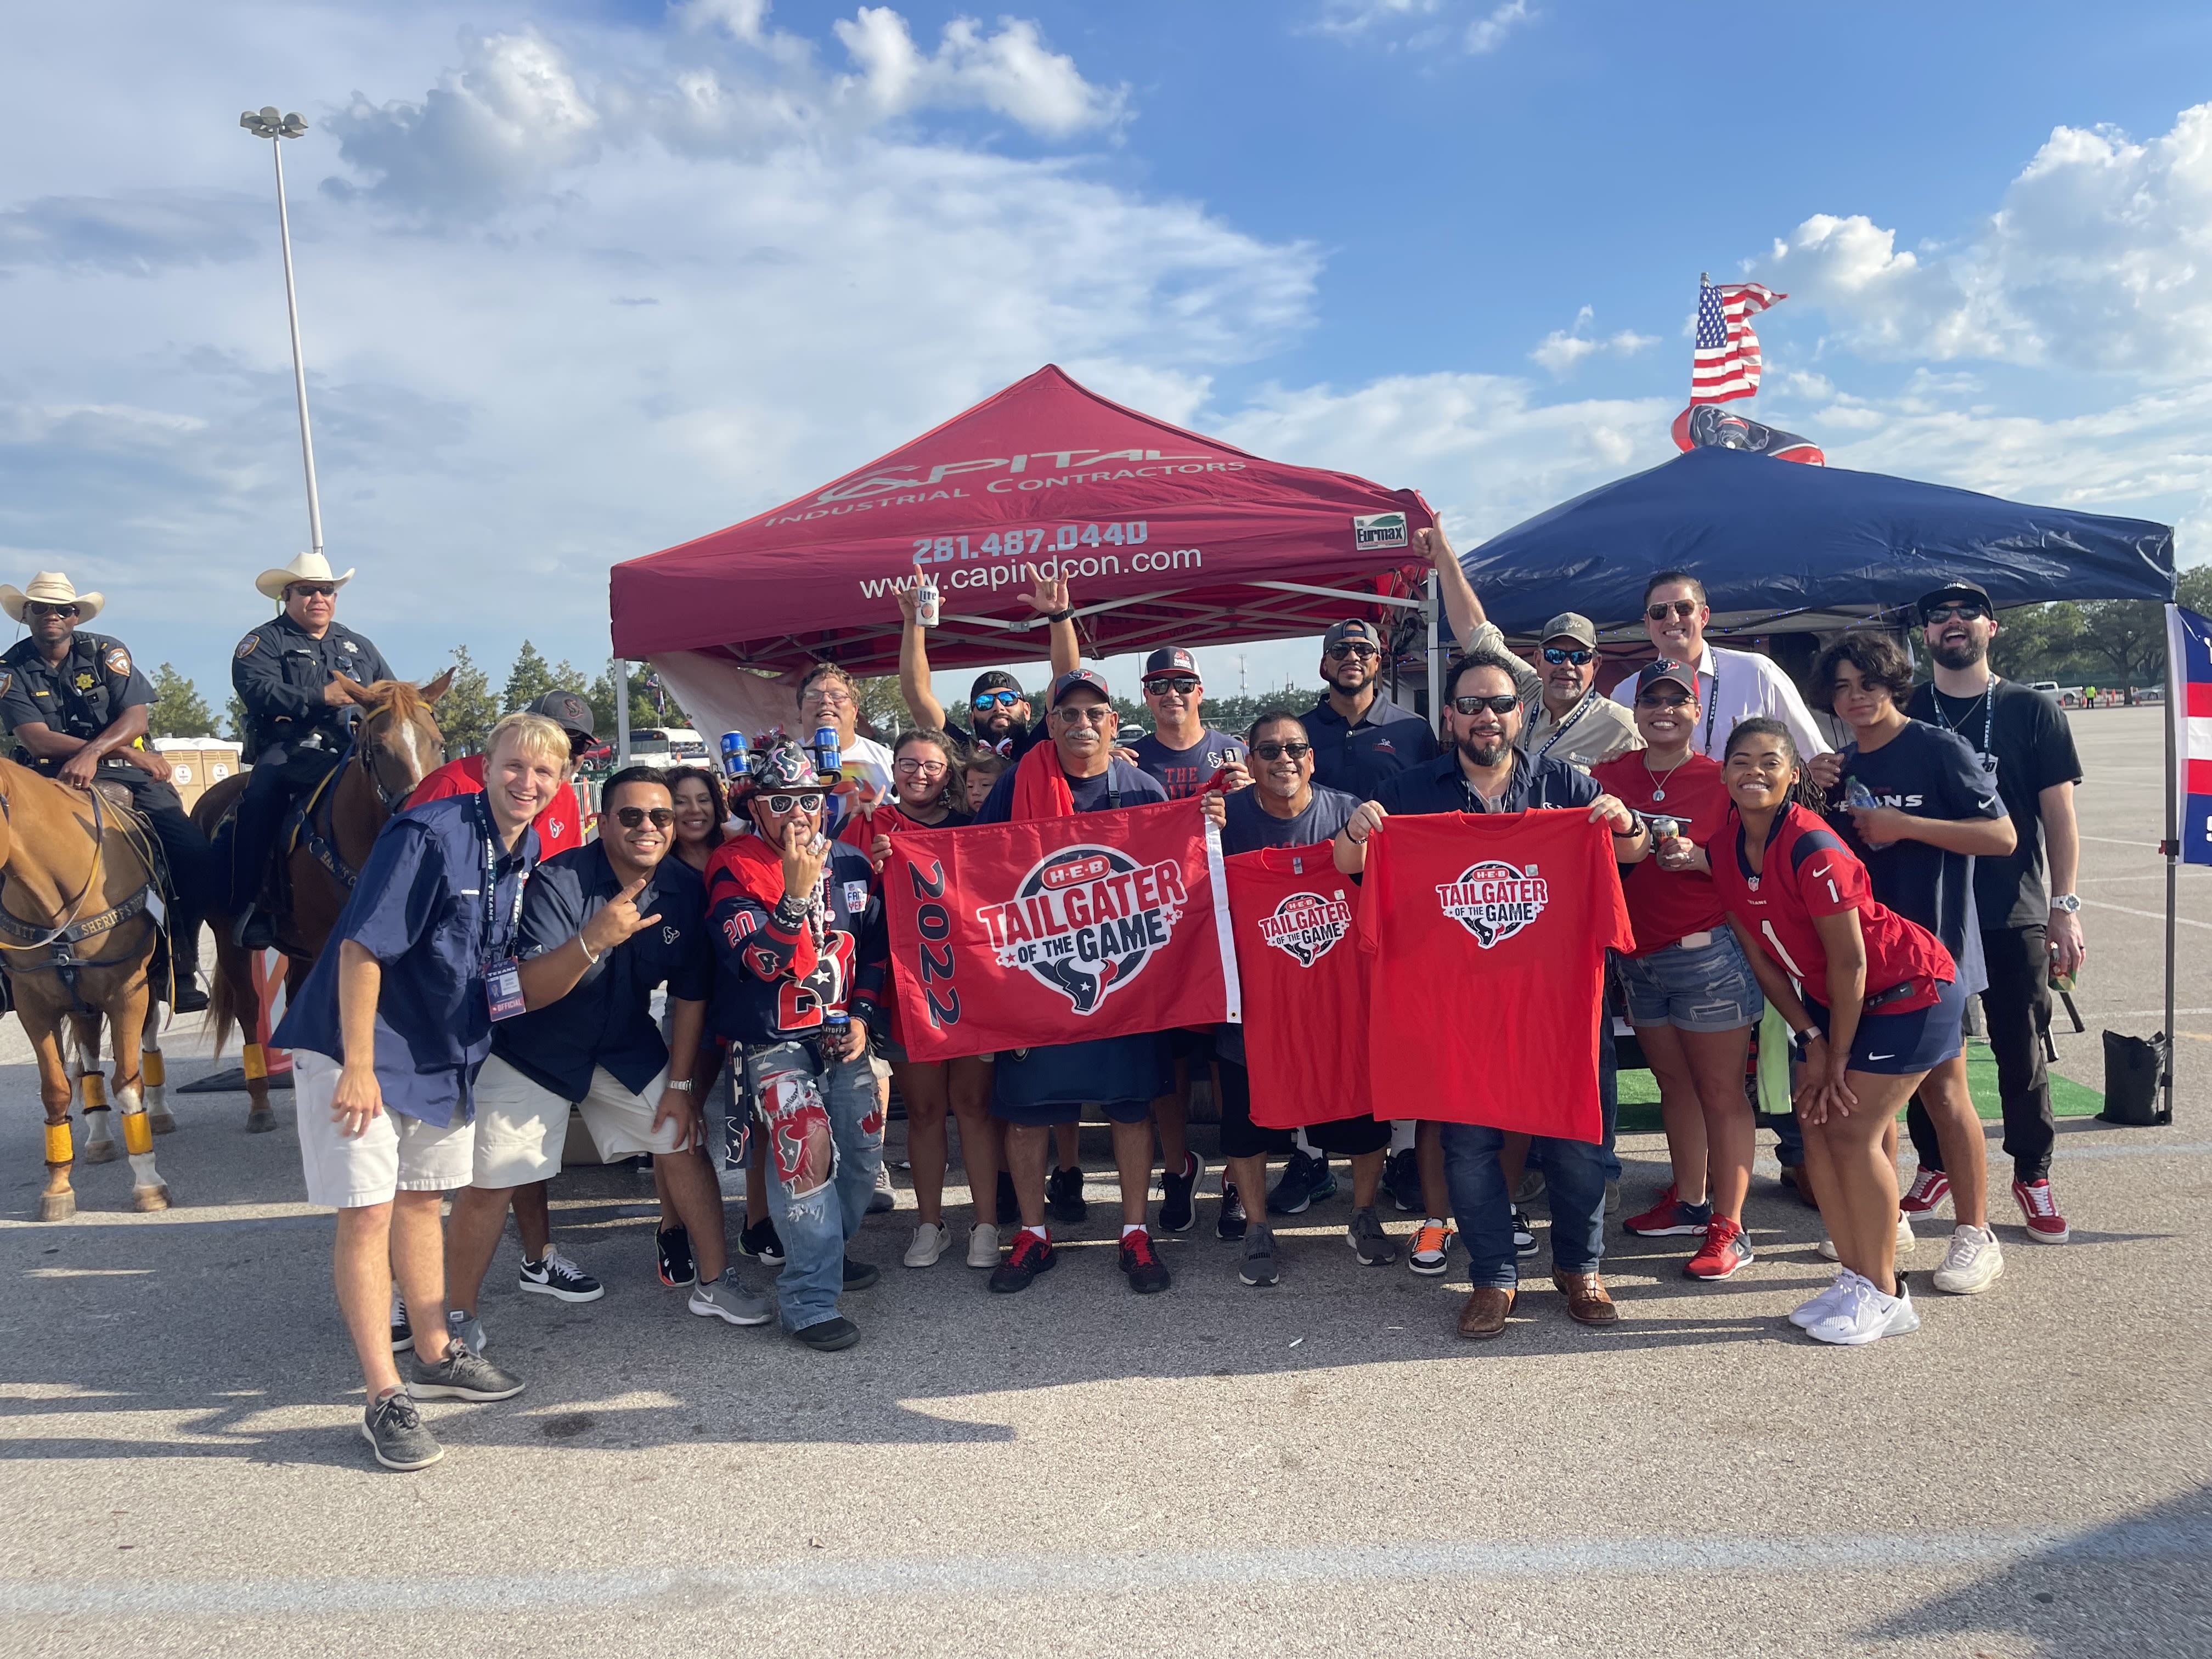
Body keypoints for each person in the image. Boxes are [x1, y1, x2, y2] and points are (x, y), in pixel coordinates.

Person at [269, 711, 564, 1470]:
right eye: (514, 766)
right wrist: (361, 1063)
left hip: (438, 1053)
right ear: (485, 764)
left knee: (421, 1203)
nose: (527, 783)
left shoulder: (521, 847)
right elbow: (365, 946)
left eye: (544, 773)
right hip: (357, 1047)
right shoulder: (430, 833)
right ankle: (383, 1397)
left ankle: (437, 1352)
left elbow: (485, 967)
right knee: (367, 1216)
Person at [1333, 648, 1650, 1339]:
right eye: (1471, 705)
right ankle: (1493, 1278)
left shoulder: (1566, 785)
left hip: (1558, 1000)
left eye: (1500, 704)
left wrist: (1625, 822)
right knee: (1469, 1146)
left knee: (1576, 1141)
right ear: (1448, 716)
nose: (1486, 717)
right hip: (1460, 1006)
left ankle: (1580, 1268)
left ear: (1519, 713)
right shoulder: (1414, 791)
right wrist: (1357, 834)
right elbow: (1348, 863)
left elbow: (1634, 851)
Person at [444, 766, 770, 1350]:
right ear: (602, 820)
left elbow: (693, 993)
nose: (648, 827)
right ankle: (454, 1317)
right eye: (632, 815)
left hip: (623, 1039)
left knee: (682, 1139)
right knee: (492, 1180)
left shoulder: (682, 888)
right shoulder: (560, 880)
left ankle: (716, 1281)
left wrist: (681, 1082)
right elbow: (528, 990)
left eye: (661, 817)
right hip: (533, 1047)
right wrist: (594, 938)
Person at [1706, 717, 1963, 1345]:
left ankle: (1886, 1291)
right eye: (1742, 760)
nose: (1754, 772)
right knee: (1813, 1131)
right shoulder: (1723, 847)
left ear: (1794, 775)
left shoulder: (1813, 845)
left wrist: (1836, 1055)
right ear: (1724, 773)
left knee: (1850, 1130)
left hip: (1909, 990)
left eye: (1771, 761)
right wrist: (1809, 1038)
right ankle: (1855, 1277)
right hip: (1834, 1004)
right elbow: (1760, 957)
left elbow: (1851, 962)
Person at [1810, 631, 2017, 1295]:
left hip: (1938, 958)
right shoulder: (1838, 767)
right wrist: (1806, 786)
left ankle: (1975, 1234)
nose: (1855, 698)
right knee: (1883, 1098)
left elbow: (2002, 836)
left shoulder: (1937, 748)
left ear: (1891, 683)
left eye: (1866, 684)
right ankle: (1890, 1215)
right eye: (1841, 688)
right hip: (1869, 963)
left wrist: (1908, 826)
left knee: (1946, 1094)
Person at [970, 669, 1177, 1295]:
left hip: (1124, 984)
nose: (1082, 724)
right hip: (1041, 982)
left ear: (1113, 723)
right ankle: (1033, 1233)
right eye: (1070, 714)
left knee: (1129, 1113)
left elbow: (1177, 877)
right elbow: (971, 864)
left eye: (1095, 713)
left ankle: (1136, 1231)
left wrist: (1211, 823)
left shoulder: (1144, 789)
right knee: (1029, 1118)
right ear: (1051, 723)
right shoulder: (1014, 787)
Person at [403, 687, 603, 1307]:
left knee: (512, 1133)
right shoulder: (444, 791)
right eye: (532, 750)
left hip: (511, 983)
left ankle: (537, 1259)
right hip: (435, 1002)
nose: (540, 770)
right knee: (421, 1171)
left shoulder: (564, 793)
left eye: (565, 753)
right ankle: (408, 1295)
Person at [1904, 580, 2084, 1245]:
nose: (1953, 623)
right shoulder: (1906, 709)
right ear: (1925, 634)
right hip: (1928, 912)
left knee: (2022, 1047)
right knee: (1930, 1051)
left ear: (1991, 627)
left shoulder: (2030, 710)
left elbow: (2059, 817)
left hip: (2013, 908)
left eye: (1967, 613)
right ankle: (1934, 1164)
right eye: (1939, 616)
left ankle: (2032, 1172)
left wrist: (2065, 907)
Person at [705, 737, 890, 1352]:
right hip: (774, 1041)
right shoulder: (732, 867)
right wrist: (791, 894)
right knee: (804, 1156)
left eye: (808, 800)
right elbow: (759, 960)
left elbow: (875, 954)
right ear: (754, 809)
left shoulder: (855, 865)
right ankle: (808, 1298)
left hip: (844, 1035)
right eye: (778, 802)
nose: (796, 814)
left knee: (863, 1158)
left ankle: (826, 1254)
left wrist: (863, 1015)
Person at [1592, 662, 1760, 1279]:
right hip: (1638, 959)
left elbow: (1760, 870)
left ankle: (1731, 1225)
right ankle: (1691, 1201)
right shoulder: (1609, 776)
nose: (1664, 709)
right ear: (1635, 712)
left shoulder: (1724, 779)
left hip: (1706, 954)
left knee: (1721, 1092)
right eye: (1652, 699)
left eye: (1677, 700)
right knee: (1675, 1087)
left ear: (1696, 710)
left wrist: (1705, 864)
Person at [1216, 710, 1395, 1285]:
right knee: (1244, 1123)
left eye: (1295, 749)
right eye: (1269, 751)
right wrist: (1192, 823)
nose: (1283, 759)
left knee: (1365, 1116)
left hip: (1342, 1000)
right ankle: (1257, 1227)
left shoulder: (1347, 815)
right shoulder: (1225, 825)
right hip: (1255, 1004)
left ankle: (1363, 1213)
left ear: (1312, 758)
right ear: (1250, 761)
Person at [0, 572, 216, 1010]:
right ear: (27, 614)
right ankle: (6, 975)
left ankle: (179, 966)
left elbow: (137, 721)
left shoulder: (106, 652)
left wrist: (102, 753)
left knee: (193, 856)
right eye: (41, 608)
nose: (52, 616)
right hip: (46, 778)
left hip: (129, 772)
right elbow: (37, 739)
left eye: (61, 609)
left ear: (75, 615)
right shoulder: (8, 669)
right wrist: (122, 753)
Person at [843, 730, 1005, 1272]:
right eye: (908, 764)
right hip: (904, 992)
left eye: (931, 766)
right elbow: (846, 900)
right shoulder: (872, 825)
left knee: (976, 1109)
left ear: (950, 772)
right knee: (927, 1112)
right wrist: (874, 868)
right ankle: (930, 1224)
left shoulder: (971, 828)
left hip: (970, 991)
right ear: (892, 769)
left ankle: (985, 1225)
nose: (919, 774)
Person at [1127, 645, 1251, 1233]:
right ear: (1145, 695)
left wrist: (1254, 794)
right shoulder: (1129, 757)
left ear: (1200, 690)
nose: (1171, 694)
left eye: (1182, 683)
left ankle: (1234, 1173)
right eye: (1159, 684)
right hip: (1161, 925)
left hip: (1227, 918)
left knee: (1228, 1060)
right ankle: (1177, 1167)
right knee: (1168, 1063)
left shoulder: (1238, 750)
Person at [228, 551, 397, 947]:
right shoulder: (263, 642)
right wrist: (320, 695)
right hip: (291, 749)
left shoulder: (359, 646)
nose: (319, 598)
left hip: (353, 748)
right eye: (308, 591)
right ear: (287, 595)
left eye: (327, 590)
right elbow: (257, 690)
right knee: (260, 797)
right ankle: (253, 903)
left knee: (404, 795)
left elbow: (388, 694)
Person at [1610, 571, 1830, 761]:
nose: (1673, 619)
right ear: (1648, 623)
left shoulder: (1757, 673)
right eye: (1659, 612)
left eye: (1684, 608)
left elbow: (1813, 755)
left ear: (1704, 616)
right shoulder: (1626, 693)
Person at [893, 562, 1083, 761]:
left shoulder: (1044, 743)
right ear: (972, 718)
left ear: (1027, 710)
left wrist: (1059, 614)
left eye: (1009, 699)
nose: (998, 707)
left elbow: (1066, 678)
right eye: (984, 703)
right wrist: (914, 623)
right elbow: (917, 694)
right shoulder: (962, 753)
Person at [409, 690, 596, 855]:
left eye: (579, 744)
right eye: (550, 739)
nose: (564, 750)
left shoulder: (566, 797)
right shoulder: (450, 783)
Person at [1520, 614, 1643, 770]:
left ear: (1596, 665)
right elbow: (1486, 641)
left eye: (1580, 657)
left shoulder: (1622, 728)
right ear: (1538, 661)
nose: (1568, 665)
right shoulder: (1519, 701)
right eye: (1555, 656)